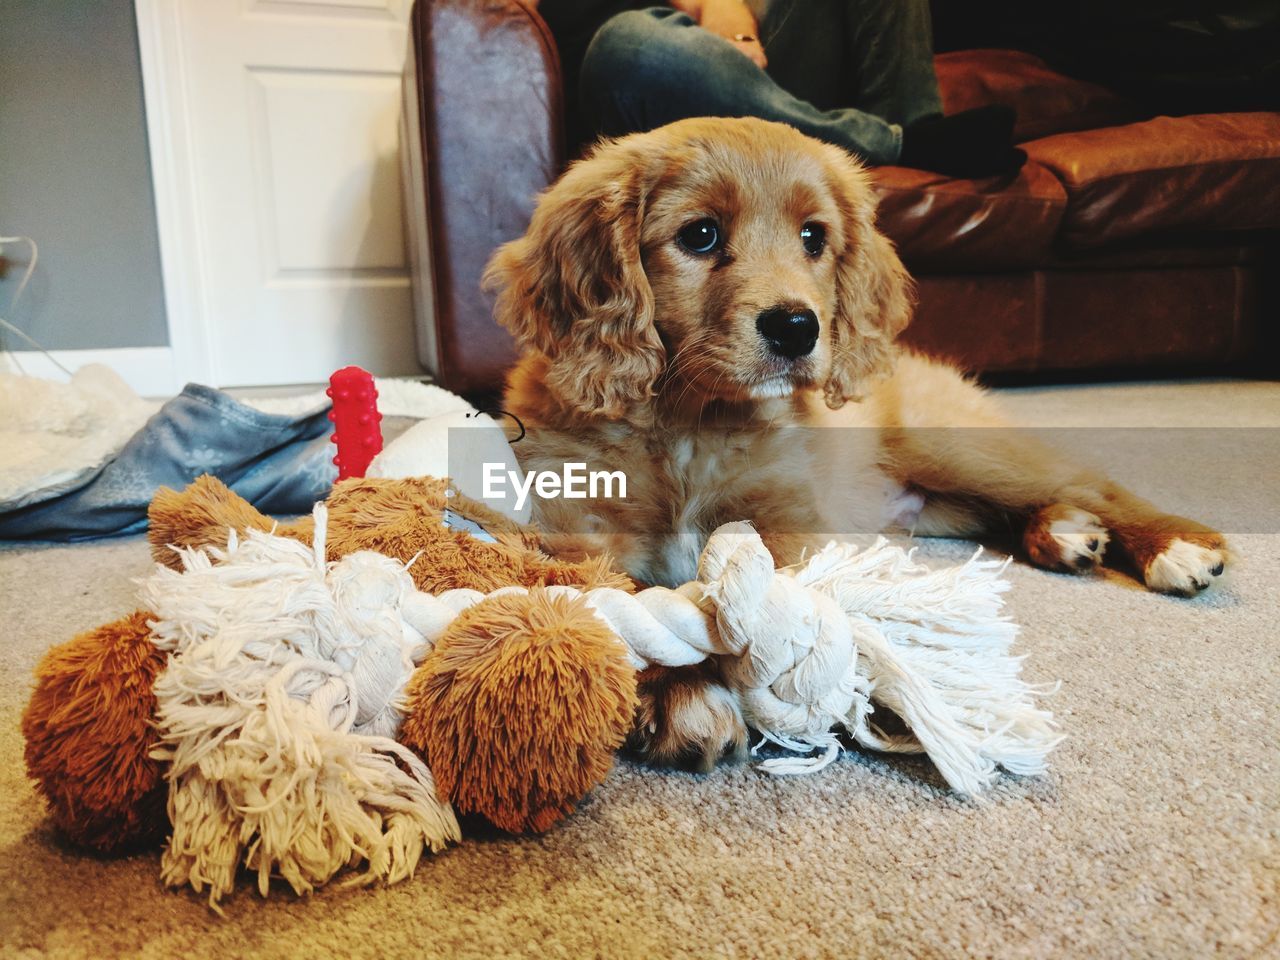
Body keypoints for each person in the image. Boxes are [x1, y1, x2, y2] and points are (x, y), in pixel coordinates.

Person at [537, 0, 1025, 178]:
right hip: (630, 101)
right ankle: (898, 145)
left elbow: (719, 10)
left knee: (655, 38)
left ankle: (914, 127)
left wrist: (733, 29)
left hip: (743, 83)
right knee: (634, 41)